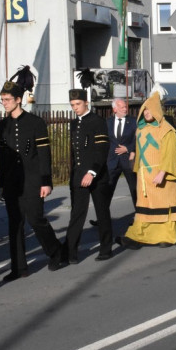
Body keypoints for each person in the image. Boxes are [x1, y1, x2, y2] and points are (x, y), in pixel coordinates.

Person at [0, 68, 68, 279]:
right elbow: (2, 157)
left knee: (36, 219)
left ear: (18, 100)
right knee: (15, 224)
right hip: (12, 182)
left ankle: (56, 252)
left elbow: (44, 154)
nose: (4, 103)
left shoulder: (35, 123)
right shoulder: (3, 125)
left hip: (33, 180)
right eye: (2, 99)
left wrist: (46, 181)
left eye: (8, 99)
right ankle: (18, 268)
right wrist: (2, 183)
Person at [122, 91, 176, 246]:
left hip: (160, 174)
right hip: (145, 176)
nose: (147, 113)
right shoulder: (141, 129)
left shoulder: (166, 130)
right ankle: (138, 236)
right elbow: (139, 151)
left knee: (163, 205)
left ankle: (166, 237)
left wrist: (162, 173)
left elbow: (170, 153)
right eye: (145, 110)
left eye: (149, 109)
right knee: (145, 208)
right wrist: (137, 166)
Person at [64, 87, 112, 262]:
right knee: (77, 214)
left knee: (102, 212)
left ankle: (106, 248)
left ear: (86, 103)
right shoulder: (73, 123)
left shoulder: (97, 121)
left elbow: (101, 149)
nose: (75, 107)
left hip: (96, 175)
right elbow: (75, 153)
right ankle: (70, 252)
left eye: (77, 104)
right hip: (78, 176)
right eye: (72, 105)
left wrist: (91, 172)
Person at [106, 98, 138, 204]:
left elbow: (138, 139)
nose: (125, 109)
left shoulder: (133, 122)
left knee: (135, 190)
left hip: (128, 160)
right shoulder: (107, 122)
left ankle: (139, 217)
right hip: (112, 162)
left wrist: (128, 148)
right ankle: (103, 219)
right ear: (115, 109)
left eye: (126, 107)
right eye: (122, 107)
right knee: (107, 191)